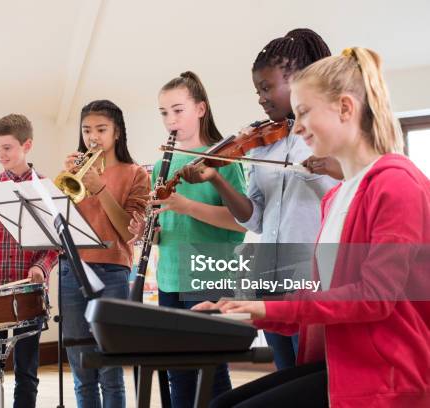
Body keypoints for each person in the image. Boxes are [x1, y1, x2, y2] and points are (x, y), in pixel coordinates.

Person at [195, 47, 430, 407]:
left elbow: (375, 297)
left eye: (304, 111)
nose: (297, 125)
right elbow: (324, 305)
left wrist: (265, 309)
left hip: (387, 375)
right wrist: (242, 312)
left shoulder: (396, 183)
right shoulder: (335, 198)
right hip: (339, 363)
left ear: (346, 108)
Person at [182, 29, 339, 370]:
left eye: (267, 88)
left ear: (298, 82)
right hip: (269, 276)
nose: (261, 98)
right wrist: (218, 179)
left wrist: (320, 168)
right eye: (258, 90)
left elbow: (349, 192)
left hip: (312, 277)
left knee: (313, 375)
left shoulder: (327, 134)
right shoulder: (264, 143)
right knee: (284, 373)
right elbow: (254, 217)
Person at [129, 71, 247, 408]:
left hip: (208, 274)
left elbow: (241, 222)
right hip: (170, 275)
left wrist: (186, 206)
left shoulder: (225, 157)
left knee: (210, 370)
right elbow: (168, 223)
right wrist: (149, 230)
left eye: (178, 110)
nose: (170, 120)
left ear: (200, 109)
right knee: (177, 371)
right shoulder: (161, 164)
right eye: (164, 113)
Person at [60, 99, 150, 407]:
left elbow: (128, 231)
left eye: (101, 129)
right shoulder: (74, 172)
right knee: (80, 366)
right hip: (72, 270)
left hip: (112, 270)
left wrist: (99, 188)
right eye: (87, 130)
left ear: (117, 133)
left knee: (110, 367)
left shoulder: (136, 173)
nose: (93, 137)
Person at [0, 114, 58, 408]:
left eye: (6, 147)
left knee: (27, 372)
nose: (0, 155)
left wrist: (40, 267)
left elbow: (55, 244)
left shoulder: (46, 188)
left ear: (26, 145)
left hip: (28, 292)